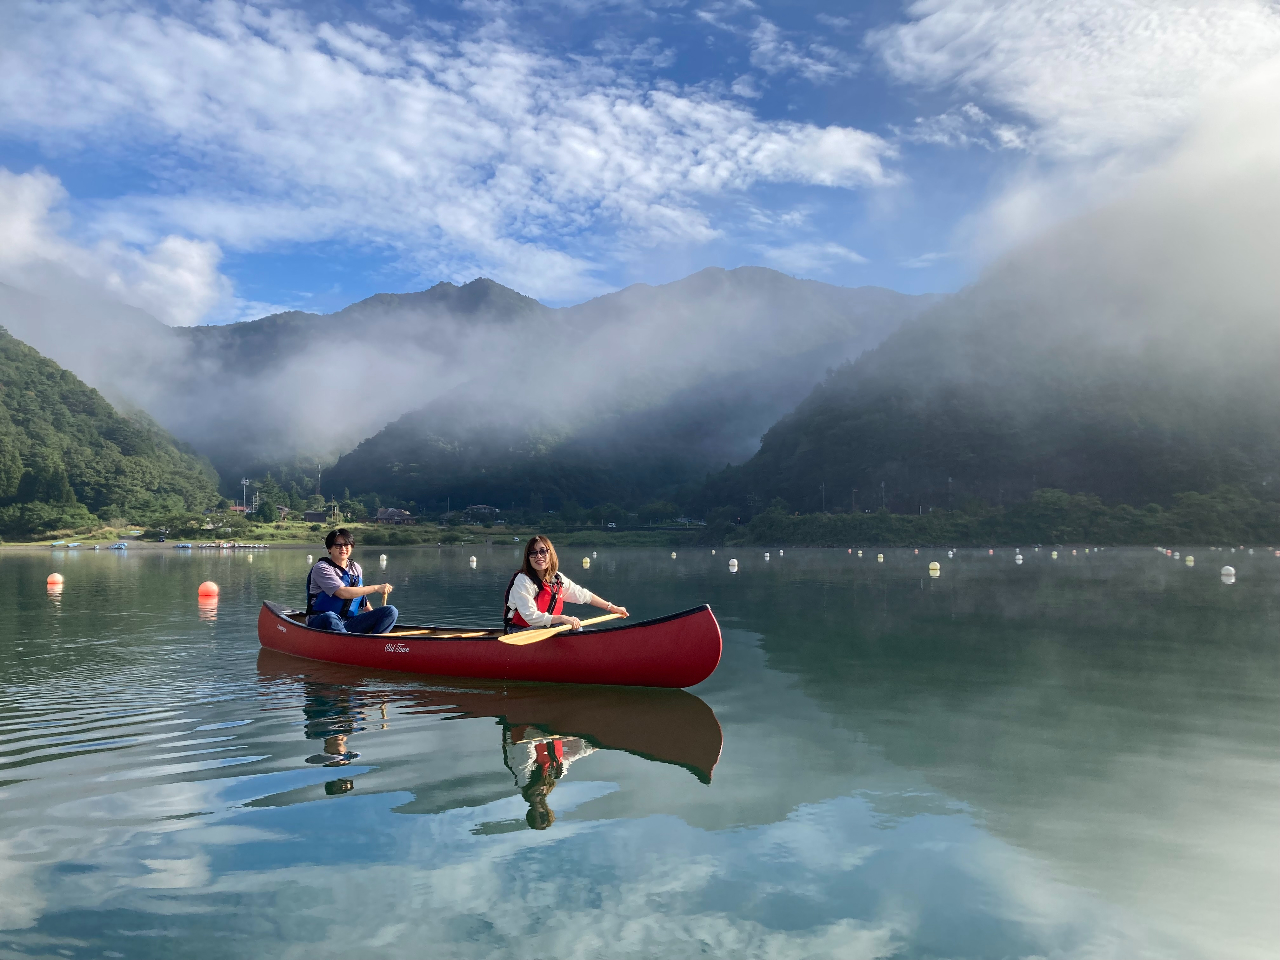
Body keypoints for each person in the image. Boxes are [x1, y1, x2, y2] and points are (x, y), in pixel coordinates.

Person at [502, 535, 628, 632]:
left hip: (547, 629)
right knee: (566, 624)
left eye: (543, 551)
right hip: (519, 632)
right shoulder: (523, 580)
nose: (538, 556)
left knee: (573, 625)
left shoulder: (557, 578)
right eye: (533, 553)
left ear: (550, 553)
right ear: (528, 558)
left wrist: (612, 608)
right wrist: (562, 618)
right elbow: (530, 616)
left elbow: (583, 595)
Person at [305, 528, 398, 634]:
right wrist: (376, 588)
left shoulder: (356, 568)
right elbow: (342, 593)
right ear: (329, 549)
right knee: (330, 616)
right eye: (338, 545)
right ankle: (348, 641)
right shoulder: (322, 567)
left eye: (346, 545)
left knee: (390, 611)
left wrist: (374, 618)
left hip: (348, 622)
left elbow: (362, 598)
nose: (343, 548)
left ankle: (375, 641)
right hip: (321, 621)